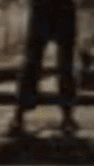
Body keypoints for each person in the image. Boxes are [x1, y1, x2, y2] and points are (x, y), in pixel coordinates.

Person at [10, 0, 80, 136]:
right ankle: (20, 117)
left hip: (52, 8)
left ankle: (20, 117)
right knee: (37, 63)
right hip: (52, 8)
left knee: (59, 64)